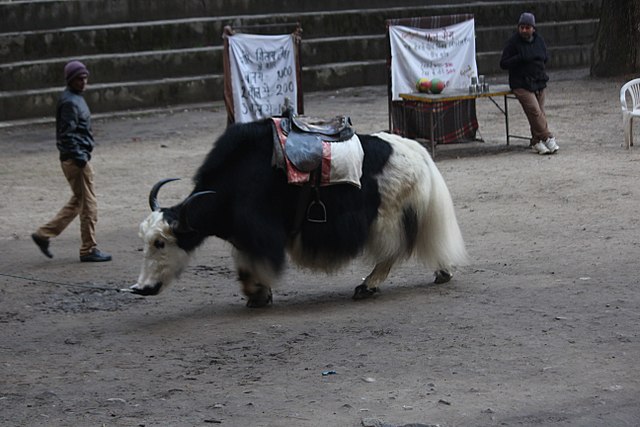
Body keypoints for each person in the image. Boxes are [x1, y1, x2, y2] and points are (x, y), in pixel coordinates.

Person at [31, 61, 112, 262]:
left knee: (78, 201)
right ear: (70, 80)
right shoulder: (69, 102)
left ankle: (43, 234)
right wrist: (80, 158)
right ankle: (88, 249)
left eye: (85, 77)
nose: (83, 81)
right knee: (89, 205)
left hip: (76, 158)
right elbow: (66, 135)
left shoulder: (74, 98)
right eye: (79, 78)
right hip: (76, 160)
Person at [500, 12, 559, 155]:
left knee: (539, 112)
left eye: (527, 27)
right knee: (534, 110)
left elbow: (545, 57)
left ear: (533, 28)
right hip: (520, 83)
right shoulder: (513, 43)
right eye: (522, 27)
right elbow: (503, 63)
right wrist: (519, 59)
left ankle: (536, 141)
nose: (524, 30)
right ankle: (547, 137)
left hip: (538, 80)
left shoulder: (539, 41)